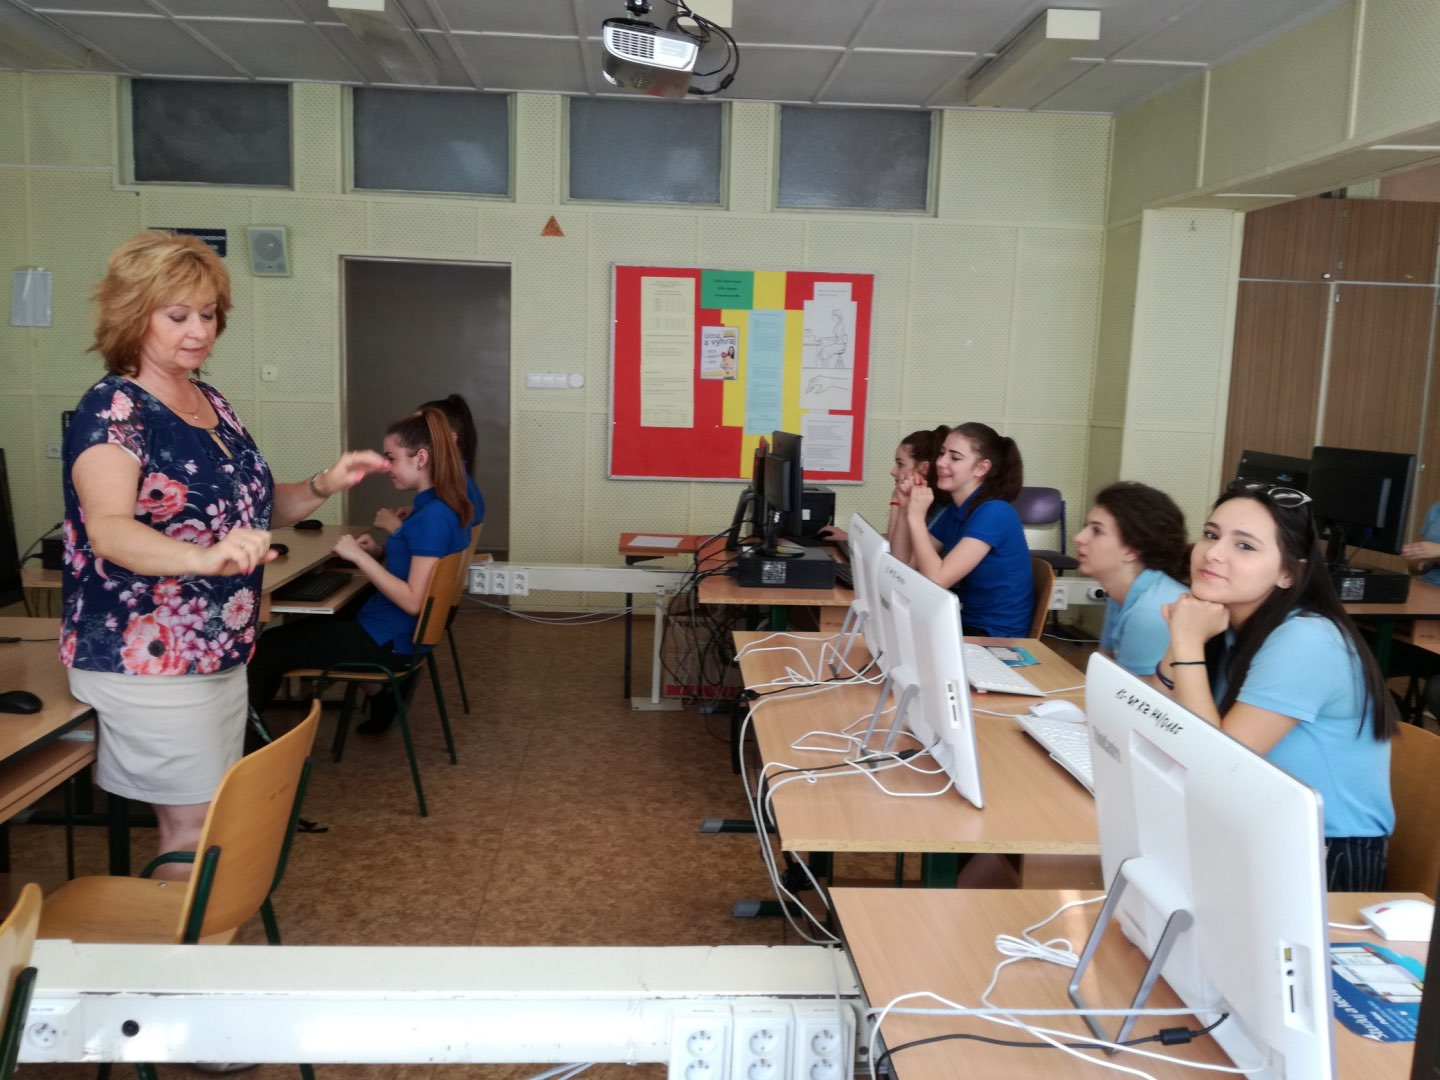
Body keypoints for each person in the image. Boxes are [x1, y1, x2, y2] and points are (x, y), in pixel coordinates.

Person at [61, 230, 387, 878]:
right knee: (191, 827)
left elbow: (259, 508)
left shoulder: (210, 402)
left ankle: (199, 929)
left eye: (208, 315)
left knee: (214, 817)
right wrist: (203, 559)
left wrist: (323, 484)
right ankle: (182, 940)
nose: (198, 331)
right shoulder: (115, 409)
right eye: (177, 315)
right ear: (133, 315)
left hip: (221, 647)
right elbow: (110, 531)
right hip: (151, 654)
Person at [1158, 480, 1397, 891]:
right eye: (1211, 535)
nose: (1213, 553)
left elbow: (1216, 768)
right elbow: (1149, 713)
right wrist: (1184, 638)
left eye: (1244, 546)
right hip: (1253, 828)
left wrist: (1186, 641)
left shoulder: (1307, 639)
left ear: (1289, 573)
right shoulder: (1226, 622)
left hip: (1325, 857)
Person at [248, 407, 473, 735]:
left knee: (266, 650)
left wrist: (357, 556)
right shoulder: (437, 506)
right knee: (298, 631)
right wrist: (379, 552)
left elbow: (414, 601)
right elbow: (419, 560)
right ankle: (382, 699)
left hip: (390, 640)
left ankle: (253, 743)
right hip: (395, 631)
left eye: (392, 458)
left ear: (421, 458)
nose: (387, 467)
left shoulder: (432, 517)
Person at [889, 422, 1032, 637]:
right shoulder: (955, 510)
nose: (941, 462)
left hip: (995, 635)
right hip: (963, 623)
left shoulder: (995, 512)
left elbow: (937, 579)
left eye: (955, 458)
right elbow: (904, 567)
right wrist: (904, 507)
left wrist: (916, 518)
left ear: (981, 468)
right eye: (942, 453)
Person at [1074, 481, 1188, 683]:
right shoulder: (1121, 593)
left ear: (1132, 550)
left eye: (1097, 530)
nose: (1079, 538)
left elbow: (1134, 697)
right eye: (1086, 527)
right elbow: (1102, 668)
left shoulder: (1150, 612)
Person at [821, 426, 948, 545]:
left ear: (924, 469)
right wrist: (849, 537)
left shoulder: (939, 512)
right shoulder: (918, 500)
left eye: (900, 464)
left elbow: (894, 551)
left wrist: (897, 500)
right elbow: (894, 540)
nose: (893, 472)